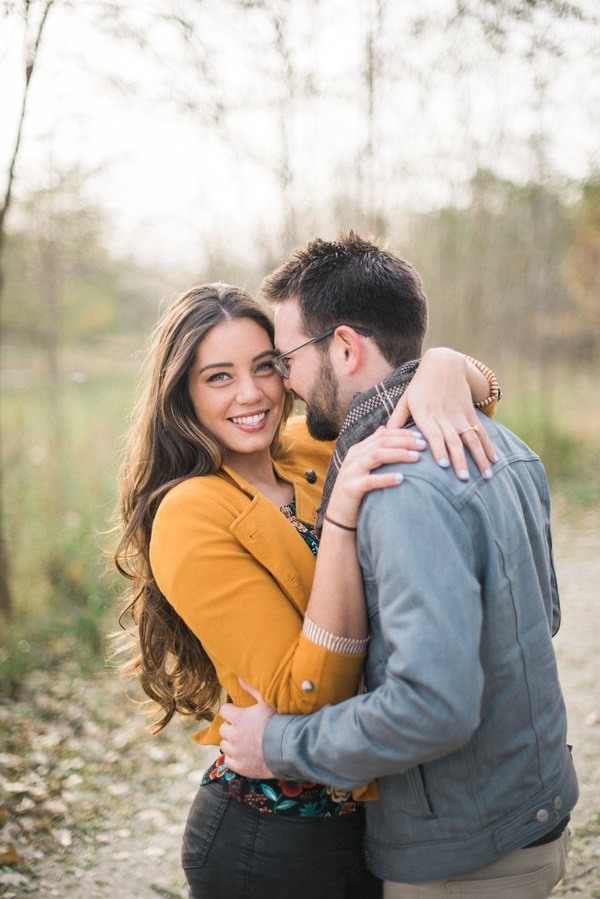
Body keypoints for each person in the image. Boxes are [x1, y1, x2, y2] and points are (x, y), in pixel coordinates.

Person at [218, 232, 579, 899]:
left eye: (286, 358)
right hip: (534, 813)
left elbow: (430, 710)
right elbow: (541, 614)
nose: (286, 383)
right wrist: (457, 367)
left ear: (346, 347)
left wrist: (277, 744)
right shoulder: (507, 442)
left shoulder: (395, 481)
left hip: (464, 857)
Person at [113, 282, 501, 899]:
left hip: (370, 823)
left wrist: (444, 367)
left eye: (265, 366)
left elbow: (470, 406)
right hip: (270, 842)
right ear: (182, 394)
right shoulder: (191, 512)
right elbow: (302, 700)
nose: (252, 394)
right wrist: (342, 522)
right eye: (218, 376)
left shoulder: (306, 448)